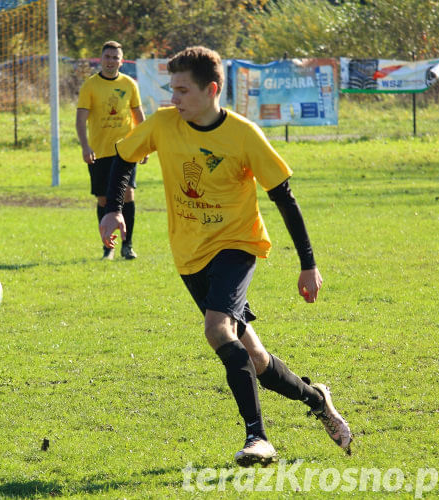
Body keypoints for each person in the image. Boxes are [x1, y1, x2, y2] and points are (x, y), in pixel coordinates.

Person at [99, 46, 352, 466]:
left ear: (211, 89)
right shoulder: (163, 125)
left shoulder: (243, 135)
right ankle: (317, 398)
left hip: (238, 244)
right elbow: (124, 158)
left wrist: (308, 263)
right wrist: (112, 210)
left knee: (217, 330)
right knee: (255, 359)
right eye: (171, 88)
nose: (173, 98)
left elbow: (284, 198)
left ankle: (258, 439)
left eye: (182, 90)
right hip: (189, 254)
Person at [76, 41, 145, 260]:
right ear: (101, 59)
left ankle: (128, 245)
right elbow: (80, 120)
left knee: (127, 195)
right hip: (99, 152)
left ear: (121, 61)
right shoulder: (90, 85)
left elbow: (138, 115)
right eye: (107, 56)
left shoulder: (129, 84)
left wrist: (143, 145)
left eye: (115, 57)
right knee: (104, 200)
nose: (111, 61)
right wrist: (85, 146)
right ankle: (108, 247)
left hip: (125, 151)